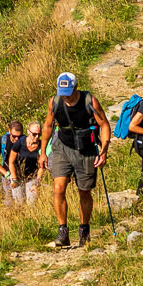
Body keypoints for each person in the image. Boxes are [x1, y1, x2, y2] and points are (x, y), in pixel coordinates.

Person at [43, 71, 111, 247]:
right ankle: (62, 231)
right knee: (58, 188)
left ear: (76, 88)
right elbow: (48, 126)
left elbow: (104, 125)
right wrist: (43, 152)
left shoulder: (90, 101)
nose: (65, 97)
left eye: (68, 93)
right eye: (62, 93)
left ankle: (84, 229)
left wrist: (103, 151)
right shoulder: (55, 102)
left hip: (85, 149)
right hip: (61, 148)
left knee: (84, 191)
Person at [8, 122, 44, 204]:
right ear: (28, 132)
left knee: (32, 204)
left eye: (39, 134)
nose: (37, 137)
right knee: (19, 203)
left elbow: (42, 166)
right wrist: (14, 179)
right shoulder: (20, 143)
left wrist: (37, 182)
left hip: (32, 178)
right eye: (34, 134)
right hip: (17, 177)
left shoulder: (41, 145)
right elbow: (11, 161)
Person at [0, 121, 25, 197]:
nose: (16, 139)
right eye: (14, 136)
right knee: (9, 201)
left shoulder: (25, 141)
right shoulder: (3, 141)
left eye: (19, 136)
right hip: (7, 175)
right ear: (9, 131)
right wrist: (7, 174)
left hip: (22, 175)